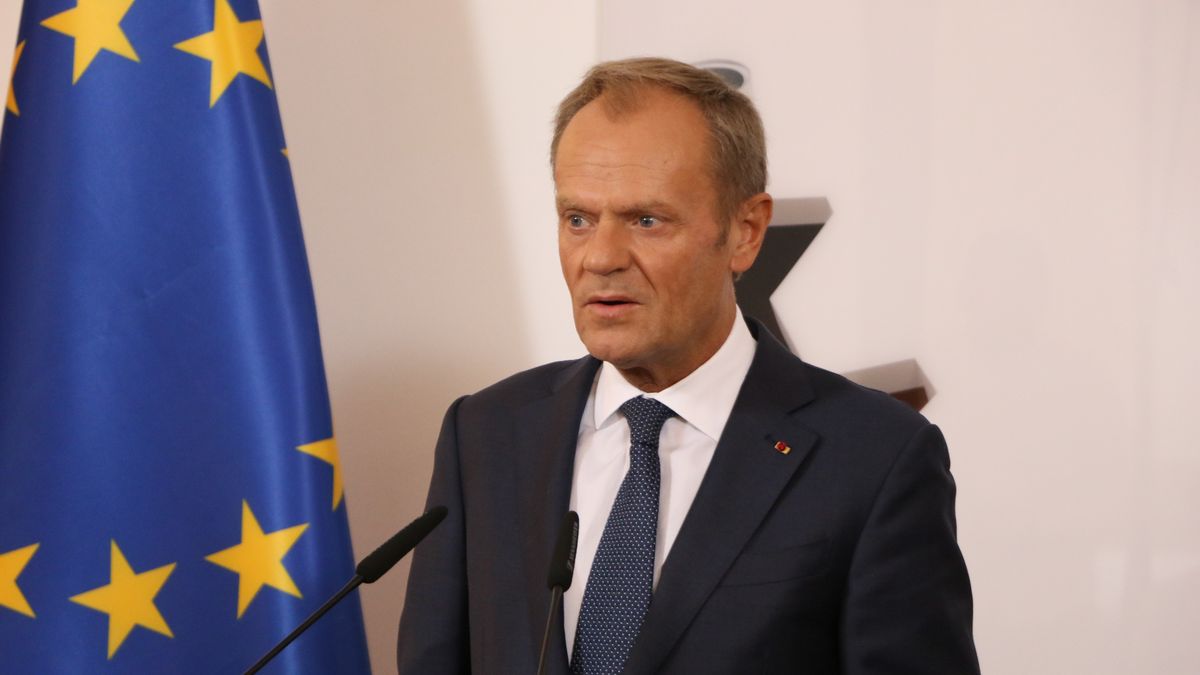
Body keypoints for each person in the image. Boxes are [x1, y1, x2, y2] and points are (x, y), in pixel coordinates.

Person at [397, 57, 979, 674]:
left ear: (746, 231)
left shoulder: (874, 456)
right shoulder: (487, 432)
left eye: (646, 220)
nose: (600, 257)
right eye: (578, 219)